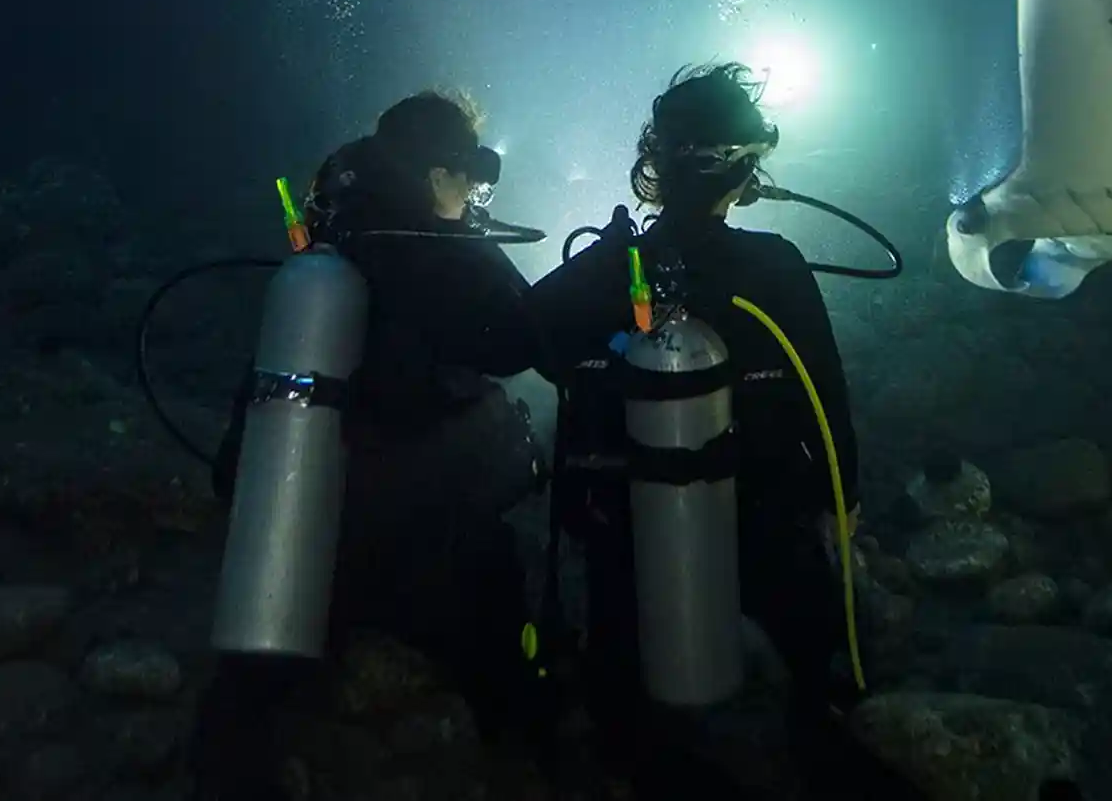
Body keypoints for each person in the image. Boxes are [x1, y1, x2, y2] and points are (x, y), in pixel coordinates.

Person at [528, 64, 916, 799]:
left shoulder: (610, 266)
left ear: (657, 163)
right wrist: (845, 500)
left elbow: (528, 340)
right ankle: (810, 732)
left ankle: (630, 757)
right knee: (805, 649)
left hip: (624, 519)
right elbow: (824, 395)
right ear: (745, 167)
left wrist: (610, 301)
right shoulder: (774, 265)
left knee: (622, 670)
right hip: (761, 510)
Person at [191, 90, 548, 801]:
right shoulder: (431, 253)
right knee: (500, 606)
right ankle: (519, 736)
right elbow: (518, 340)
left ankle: (234, 738)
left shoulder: (336, 240)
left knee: (261, 682)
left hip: (295, 508)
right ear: (439, 174)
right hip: (403, 528)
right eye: (468, 181)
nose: (473, 198)